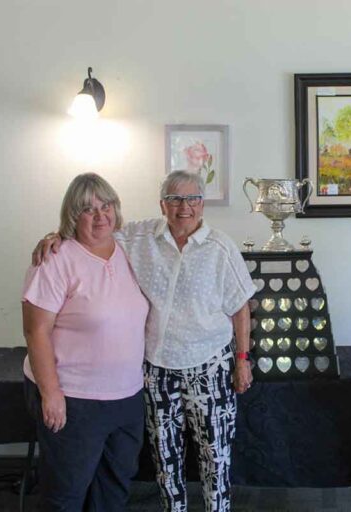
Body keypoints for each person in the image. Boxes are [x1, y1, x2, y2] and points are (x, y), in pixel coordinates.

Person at [33, 170, 256, 512]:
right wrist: (56, 236)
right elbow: (91, 231)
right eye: (175, 199)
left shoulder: (220, 247)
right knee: (166, 464)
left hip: (207, 366)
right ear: (162, 204)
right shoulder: (137, 238)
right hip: (156, 371)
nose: (185, 207)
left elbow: (240, 307)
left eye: (193, 198)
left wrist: (242, 359)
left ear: (203, 204)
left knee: (215, 459)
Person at [22, 172, 148, 510]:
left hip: (127, 397)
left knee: (113, 492)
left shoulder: (131, 249)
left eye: (106, 206)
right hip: (75, 400)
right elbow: (36, 331)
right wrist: (51, 394)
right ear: (72, 215)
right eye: (88, 209)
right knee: (66, 495)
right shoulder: (55, 258)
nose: (100, 215)